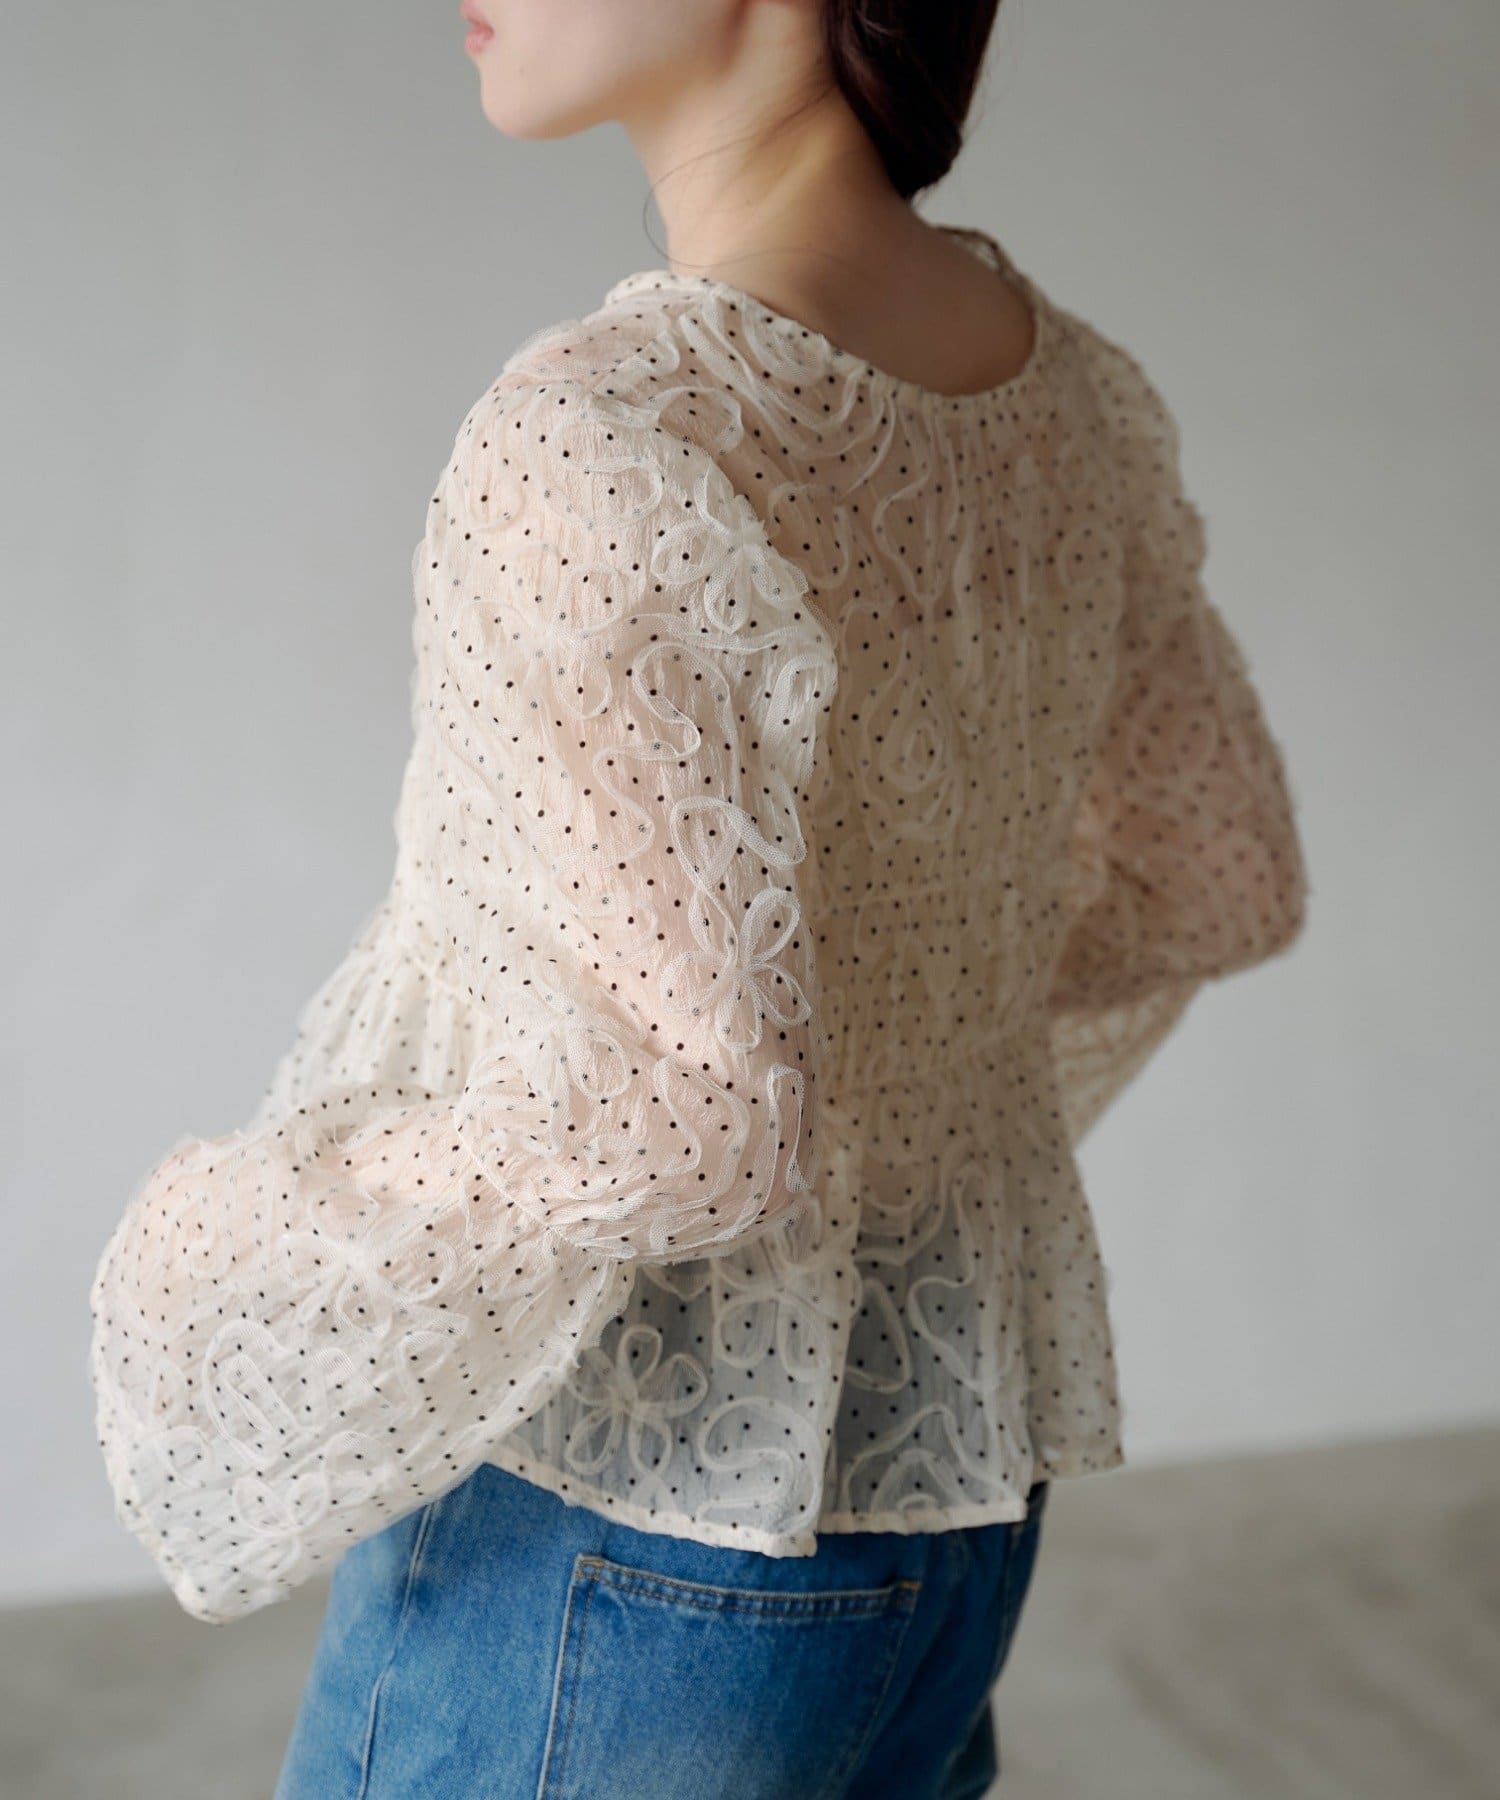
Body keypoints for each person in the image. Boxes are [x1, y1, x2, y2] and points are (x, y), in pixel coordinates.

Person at [87, 2, 1311, 1795]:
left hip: (622, 1517)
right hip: (946, 1492)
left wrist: (218, 1239)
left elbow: (687, 1122)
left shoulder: (599, 439)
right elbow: (1224, 875)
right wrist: (909, 1043)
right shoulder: (1072, 398)